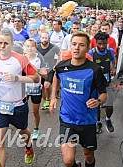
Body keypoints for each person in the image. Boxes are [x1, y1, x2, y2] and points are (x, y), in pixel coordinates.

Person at [49, 31, 108, 167]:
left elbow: (104, 94)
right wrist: (53, 97)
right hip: (67, 119)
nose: (76, 48)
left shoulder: (94, 70)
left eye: (81, 45)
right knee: (68, 160)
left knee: (88, 155)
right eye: (74, 44)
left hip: (87, 121)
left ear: (87, 48)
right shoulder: (62, 67)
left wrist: (98, 101)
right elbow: (56, 77)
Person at [0, 28, 39, 166]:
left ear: (12, 44)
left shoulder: (20, 59)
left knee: (23, 131)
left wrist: (17, 78)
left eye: (6, 43)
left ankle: (29, 145)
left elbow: (36, 78)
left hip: (18, 105)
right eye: (0, 42)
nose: (2, 46)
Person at [88, 31, 116, 133]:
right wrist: (97, 68)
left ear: (106, 42)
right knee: (97, 105)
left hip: (107, 82)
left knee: (109, 105)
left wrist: (112, 68)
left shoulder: (110, 51)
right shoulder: (92, 53)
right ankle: (98, 122)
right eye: (99, 44)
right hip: (96, 84)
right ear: (96, 43)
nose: (101, 46)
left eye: (104, 43)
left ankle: (108, 119)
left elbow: (112, 61)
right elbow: (88, 67)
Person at [24, 39, 47, 140]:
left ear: (35, 48)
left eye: (32, 46)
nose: (29, 48)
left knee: (35, 111)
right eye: (27, 46)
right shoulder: (22, 58)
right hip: (23, 88)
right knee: (23, 111)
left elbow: (45, 74)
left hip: (35, 88)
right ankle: (24, 130)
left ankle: (36, 129)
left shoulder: (39, 59)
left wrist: (35, 70)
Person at [37, 32, 60, 110]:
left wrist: (57, 64)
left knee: (46, 86)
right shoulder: (37, 47)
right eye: (43, 38)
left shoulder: (53, 47)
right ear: (40, 39)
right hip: (40, 70)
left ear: (49, 39)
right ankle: (46, 100)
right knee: (43, 88)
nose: (44, 40)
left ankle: (47, 99)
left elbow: (60, 54)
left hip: (50, 69)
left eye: (46, 38)